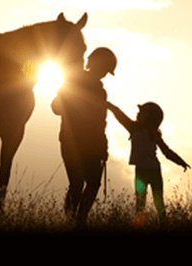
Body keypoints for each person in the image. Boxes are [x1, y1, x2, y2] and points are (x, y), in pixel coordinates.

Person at [51, 47, 117, 223]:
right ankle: (77, 221)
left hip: (81, 142)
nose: (104, 74)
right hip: (78, 142)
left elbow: (56, 108)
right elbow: (57, 108)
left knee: (82, 183)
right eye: (105, 70)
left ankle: (75, 220)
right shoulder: (78, 83)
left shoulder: (78, 83)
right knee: (83, 183)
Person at [106, 101, 190, 221]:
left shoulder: (151, 133)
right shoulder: (135, 128)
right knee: (142, 203)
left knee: (156, 202)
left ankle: (163, 227)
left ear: (150, 117)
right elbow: (119, 114)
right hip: (146, 171)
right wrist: (109, 105)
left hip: (149, 171)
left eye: (142, 112)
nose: (138, 114)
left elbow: (167, 152)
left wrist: (180, 162)